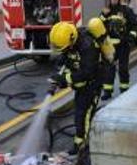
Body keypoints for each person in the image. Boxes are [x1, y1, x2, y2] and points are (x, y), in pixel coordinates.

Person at [47, 20, 110, 155]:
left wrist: (65, 79)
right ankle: (84, 137)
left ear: (71, 40)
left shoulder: (88, 47)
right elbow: (64, 59)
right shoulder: (71, 43)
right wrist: (59, 76)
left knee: (83, 115)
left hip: (92, 84)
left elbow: (87, 73)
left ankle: (81, 145)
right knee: (81, 113)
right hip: (81, 85)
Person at [99, 0, 137, 100]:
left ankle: (124, 88)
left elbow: (135, 25)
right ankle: (107, 91)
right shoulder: (106, 11)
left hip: (123, 44)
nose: (114, 0)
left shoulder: (126, 11)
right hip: (109, 46)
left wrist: (131, 37)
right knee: (108, 69)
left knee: (123, 68)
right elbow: (99, 25)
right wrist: (103, 16)